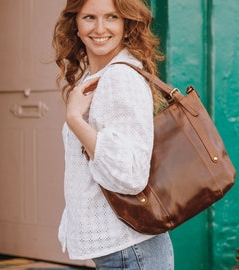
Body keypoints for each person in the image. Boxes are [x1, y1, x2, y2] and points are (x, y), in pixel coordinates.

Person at [52, 0, 174, 269]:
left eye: (111, 17)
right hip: (125, 249)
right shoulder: (96, 76)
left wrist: (75, 120)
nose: (100, 28)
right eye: (89, 18)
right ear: (75, 23)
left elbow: (130, 175)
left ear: (126, 24)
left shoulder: (120, 78)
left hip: (131, 251)